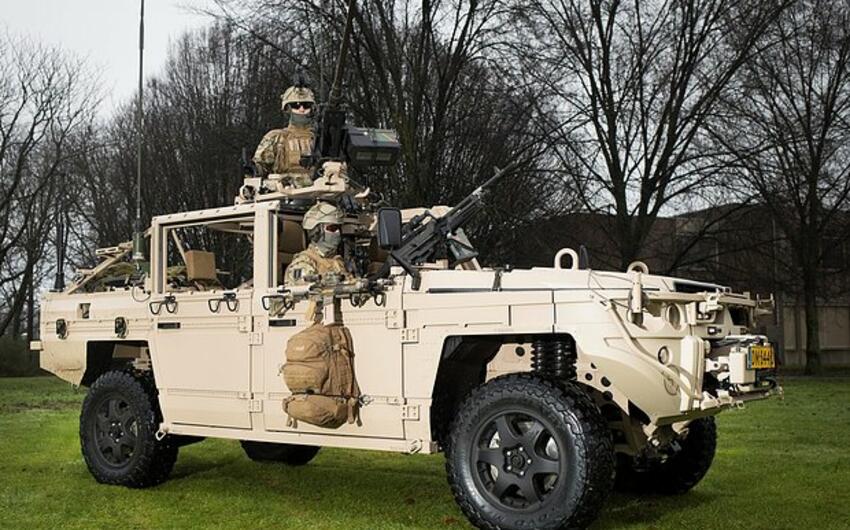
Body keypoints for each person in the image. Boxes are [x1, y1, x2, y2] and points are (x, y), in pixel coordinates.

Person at [253, 85, 316, 188]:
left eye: (306, 105)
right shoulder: (276, 137)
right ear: (287, 108)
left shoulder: (319, 138)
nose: (302, 109)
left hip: (319, 190)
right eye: (296, 105)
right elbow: (259, 168)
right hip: (284, 190)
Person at [284, 201, 349, 288]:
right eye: (332, 228)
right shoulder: (303, 263)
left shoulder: (337, 261)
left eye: (339, 228)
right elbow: (305, 293)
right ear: (317, 232)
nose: (338, 233)